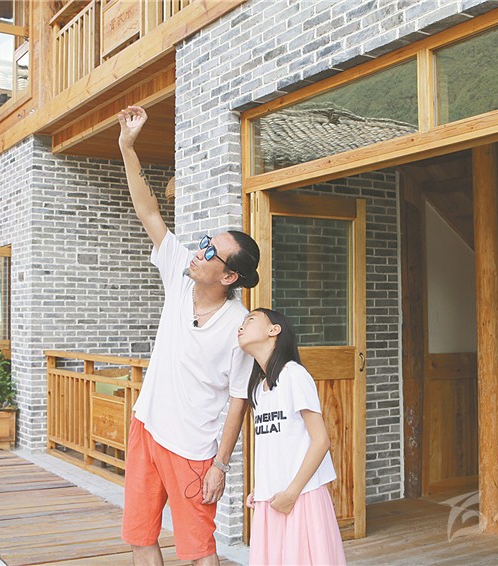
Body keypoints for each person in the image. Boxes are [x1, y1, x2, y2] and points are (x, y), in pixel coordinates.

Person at [117, 105, 261, 566]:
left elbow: (239, 398)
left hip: (194, 450)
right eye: (203, 244)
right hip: (147, 427)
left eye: (211, 252)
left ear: (229, 277)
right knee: (141, 537)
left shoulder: (239, 326)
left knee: (199, 552)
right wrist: (127, 145)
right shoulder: (180, 275)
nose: (199, 252)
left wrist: (220, 464)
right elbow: (148, 210)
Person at [237, 308, 346, 566]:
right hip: (272, 500)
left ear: (274, 330)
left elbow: (321, 441)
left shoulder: (294, 375)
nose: (241, 326)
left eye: (250, 319)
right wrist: (261, 488)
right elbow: (276, 445)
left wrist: (292, 493)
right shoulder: (259, 389)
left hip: (301, 496)